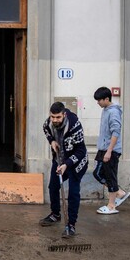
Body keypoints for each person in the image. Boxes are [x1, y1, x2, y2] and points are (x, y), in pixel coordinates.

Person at [41, 101, 88, 238]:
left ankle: (71, 224)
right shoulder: (49, 122)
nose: (55, 120)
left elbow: (80, 151)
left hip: (75, 162)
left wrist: (67, 164)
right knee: (53, 186)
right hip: (59, 159)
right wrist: (52, 141)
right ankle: (55, 214)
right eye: (52, 117)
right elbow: (45, 129)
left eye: (58, 117)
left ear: (64, 115)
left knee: (73, 193)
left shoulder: (75, 126)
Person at [92, 87, 130, 214]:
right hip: (103, 148)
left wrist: (109, 151)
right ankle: (119, 192)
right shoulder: (106, 110)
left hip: (111, 150)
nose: (97, 103)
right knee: (97, 174)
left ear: (107, 99)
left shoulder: (113, 112)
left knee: (110, 176)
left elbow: (116, 132)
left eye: (99, 100)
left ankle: (111, 205)